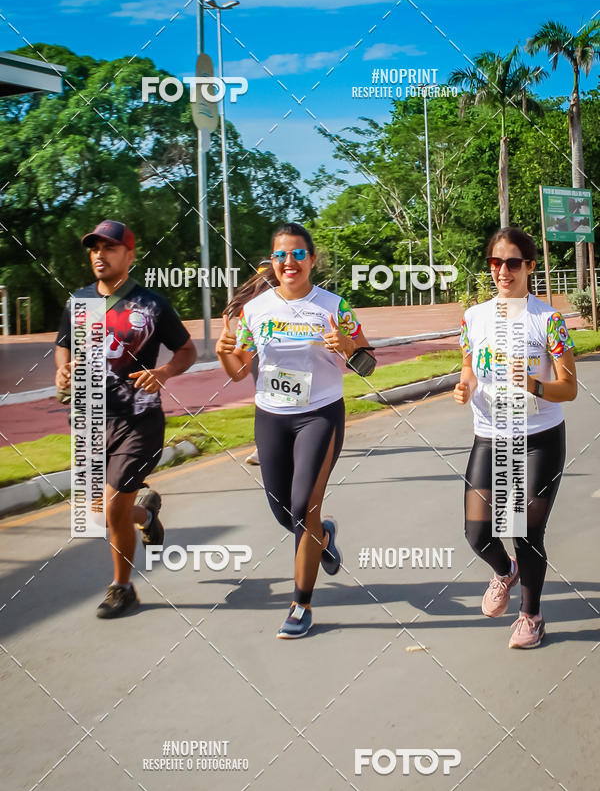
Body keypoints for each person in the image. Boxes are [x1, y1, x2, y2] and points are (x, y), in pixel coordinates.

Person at [216, 221, 374, 639]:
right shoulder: (256, 310)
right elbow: (237, 372)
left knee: (304, 508)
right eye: (281, 255)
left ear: (312, 259)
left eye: (298, 254)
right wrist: (224, 355)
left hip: (319, 415)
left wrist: (350, 347)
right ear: (273, 261)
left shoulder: (334, 306)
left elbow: (368, 364)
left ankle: (300, 604)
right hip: (270, 416)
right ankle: (324, 535)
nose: (289, 262)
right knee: (283, 511)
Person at [55, 220, 197, 618]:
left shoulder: (152, 305)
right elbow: (63, 346)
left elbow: (186, 350)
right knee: (99, 511)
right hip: (90, 421)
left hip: (139, 420)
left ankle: (122, 587)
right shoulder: (78, 301)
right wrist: (62, 370)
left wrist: (164, 373)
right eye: (95, 248)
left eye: (110, 248)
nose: (100, 255)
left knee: (113, 508)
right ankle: (147, 513)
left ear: (129, 256)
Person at [454, 227, 577, 648]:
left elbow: (570, 388)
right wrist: (465, 385)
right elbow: (469, 367)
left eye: (511, 263)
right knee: (477, 533)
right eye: (494, 262)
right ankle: (505, 571)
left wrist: (534, 385)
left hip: (539, 434)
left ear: (530, 266)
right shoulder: (474, 317)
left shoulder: (548, 320)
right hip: (490, 434)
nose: (502, 271)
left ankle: (531, 616)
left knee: (524, 531)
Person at [223, 259, 277, 466]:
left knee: (284, 397)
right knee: (267, 396)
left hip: (284, 346)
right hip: (259, 347)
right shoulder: (263, 284)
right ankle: (265, 446)